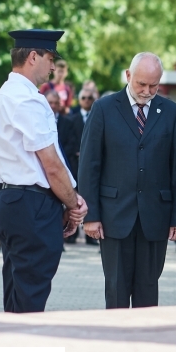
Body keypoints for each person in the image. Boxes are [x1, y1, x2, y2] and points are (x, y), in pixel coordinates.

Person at [0, 29, 88, 313]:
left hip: (10, 200)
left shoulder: (1, 98)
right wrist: (72, 202)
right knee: (30, 298)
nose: (53, 66)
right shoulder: (27, 99)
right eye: (50, 58)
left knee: (17, 293)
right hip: (32, 205)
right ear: (32, 57)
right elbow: (50, 164)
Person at [79, 52, 176, 309]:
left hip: (156, 217)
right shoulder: (104, 108)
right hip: (113, 216)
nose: (148, 91)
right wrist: (90, 215)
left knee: (148, 290)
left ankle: (144, 342)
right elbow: (89, 164)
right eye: (142, 84)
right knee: (116, 288)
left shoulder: (170, 112)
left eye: (154, 85)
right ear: (128, 76)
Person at [65, 88, 98, 245]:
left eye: (89, 97)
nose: (86, 100)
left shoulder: (99, 117)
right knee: (74, 197)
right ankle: (72, 233)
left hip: (93, 165)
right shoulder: (72, 119)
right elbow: (67, 142)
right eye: (83, 97)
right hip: (74, 163)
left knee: (90, 195)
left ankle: (90, 233)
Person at [43, 91, 79, 179]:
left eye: (56, 103)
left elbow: (71, 143)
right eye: (50, 102)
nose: (53, 106)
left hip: (64, 164)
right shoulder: (39, 121)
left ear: (60, 104)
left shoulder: (68, 123)